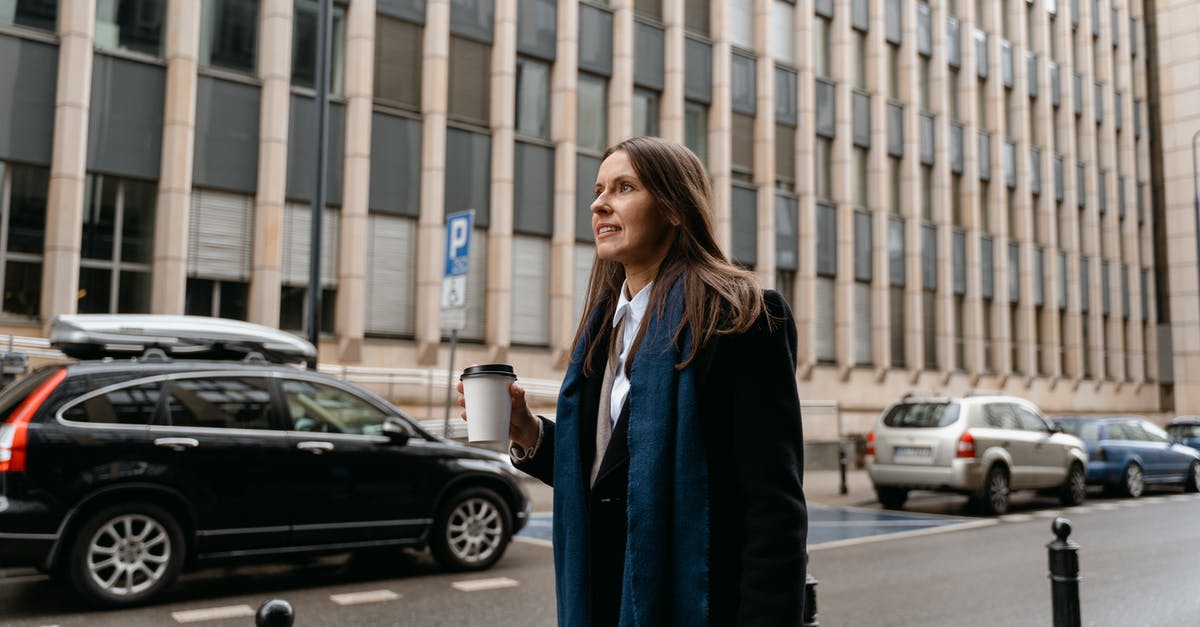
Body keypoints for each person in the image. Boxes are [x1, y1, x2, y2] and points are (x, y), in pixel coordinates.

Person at [459, 136, 807, 626]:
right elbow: (609, 477)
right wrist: (528, 432)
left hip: (703, 605)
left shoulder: (743, 319)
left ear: (674, 208)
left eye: (624, 187)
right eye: (599, 189)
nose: (599, 203)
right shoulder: (604, 328)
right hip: (608, 600)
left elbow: (773, 509)